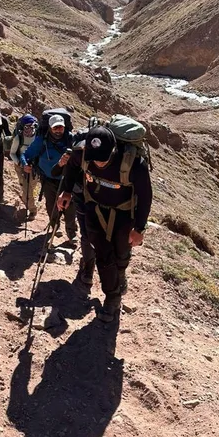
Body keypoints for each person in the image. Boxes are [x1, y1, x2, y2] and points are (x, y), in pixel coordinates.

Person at [59, 124, 152, 322]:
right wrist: (67, 190)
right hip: (94, 209)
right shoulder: (82, 153)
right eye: (95, 159)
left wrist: (139, 228)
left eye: (103, 159)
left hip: (124, 215)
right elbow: (72, 167)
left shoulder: (133, 164)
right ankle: (113, 298)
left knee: (121, 255)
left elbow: (145, 196)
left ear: (113, 150)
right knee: (103, 255)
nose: (99, 164)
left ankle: (120, 275)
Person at [22, 113, 77, 244]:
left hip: (67, 181)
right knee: (51, 206)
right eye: (55, 128)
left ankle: (71, 233)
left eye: (61, 127)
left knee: (70, 208)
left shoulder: (70, 139)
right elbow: (27, 154)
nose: (58, 130)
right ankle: (55, 226)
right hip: (48, 180)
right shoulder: (42, 140)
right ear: (50, 128)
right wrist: (25, 164)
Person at [52, 129, 94, 285]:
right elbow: (56, 172)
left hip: (82, 197)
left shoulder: (78, 154)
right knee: (88, 234)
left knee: (87, 234)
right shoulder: (77, 156)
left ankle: (89, 268)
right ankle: (90, 267)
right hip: (87, 198)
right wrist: (63, 163)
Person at [10, 114, 38, 220]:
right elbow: (12, 153)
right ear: (22, 127)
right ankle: (32, 210)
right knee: (26, 189)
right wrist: (20, 164)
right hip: (21, 166)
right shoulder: (19, 138)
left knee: (31, 187)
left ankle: (27, 200)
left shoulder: (38, 138)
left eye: (32, 126)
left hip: (34, 167)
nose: (29, 129)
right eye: (27, 127)